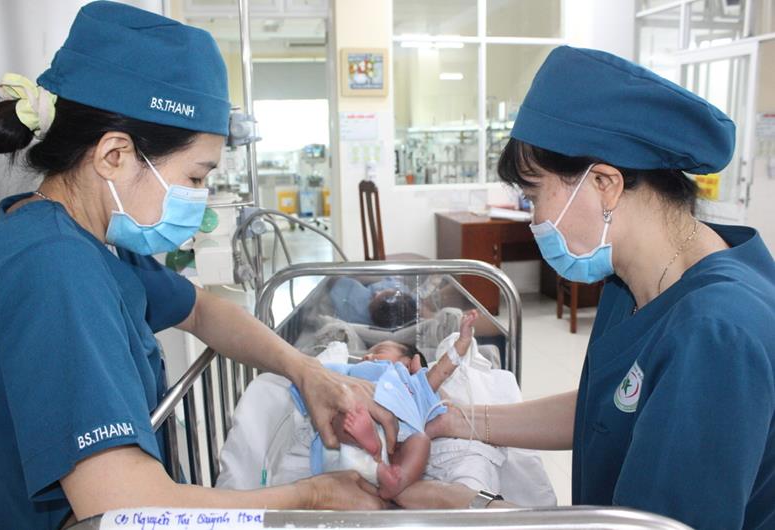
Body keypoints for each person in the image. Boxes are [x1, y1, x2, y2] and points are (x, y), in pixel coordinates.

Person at [0, 3, 396, 528]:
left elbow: (201, 311)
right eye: (196, 177)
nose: (200, 197)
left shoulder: (91, 239)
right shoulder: (53, 269)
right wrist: (310, 497)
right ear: (113, 156)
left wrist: (306, 371)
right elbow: (125, 506)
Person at [393, 46, 775, 529]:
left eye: (534, 195)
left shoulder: (716, 335)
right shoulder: (631, 283)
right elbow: (608, 408)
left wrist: (469, 506)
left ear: (605, 184)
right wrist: (461, 419)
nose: (534, 219)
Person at [290, 311, 478, 500]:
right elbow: (320, 382)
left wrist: (463, 342)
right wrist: (303, 383)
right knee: (342, 412)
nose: (367, 355)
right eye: (368, 353)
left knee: (421, 441)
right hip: (350, 437)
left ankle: (398, 479)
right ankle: (371, 447)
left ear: (408, 363)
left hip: (395, 447)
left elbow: (442, 370)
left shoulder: (416, 385)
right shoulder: (353, 371)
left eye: (378, 351)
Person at [329, 276, 417, 328]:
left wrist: (363, 277)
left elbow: (332, 280)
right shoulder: (408, 302)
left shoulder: (356, 308)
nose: (376, 293)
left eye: (373, 298)